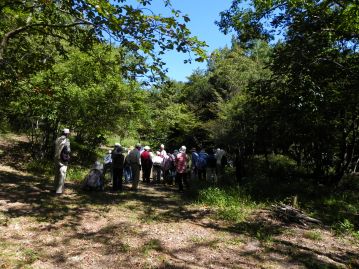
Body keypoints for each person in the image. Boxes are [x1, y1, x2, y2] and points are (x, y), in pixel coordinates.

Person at [54, 128, 71, 194]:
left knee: (56, 174)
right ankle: (59, 190)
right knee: (62, 173)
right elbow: (68, 150)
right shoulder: (67, 140)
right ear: (67, 134)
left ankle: (54, 188)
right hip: (63, 159)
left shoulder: (57, 139)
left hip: (56, 158)